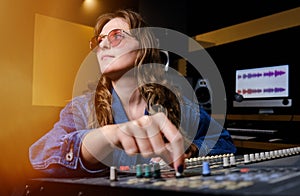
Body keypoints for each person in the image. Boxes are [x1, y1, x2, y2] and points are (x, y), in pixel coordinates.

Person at [29, 9, 236, 178]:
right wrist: (110, 135)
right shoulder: (82, 108)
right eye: (99, 40)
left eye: (116, 36)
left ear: (143, 48)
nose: (103, 44)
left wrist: (190, 150)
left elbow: (223, 141)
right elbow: (40, 156)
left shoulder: (177, 105)